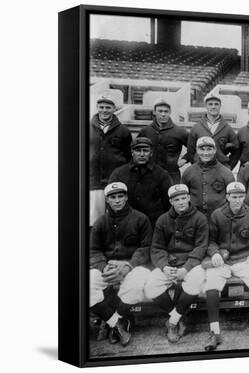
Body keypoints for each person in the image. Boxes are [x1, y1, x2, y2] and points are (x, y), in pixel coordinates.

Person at [203, 182, 249, 350]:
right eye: (233, 196)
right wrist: (214, 253)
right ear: (227, 197)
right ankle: (214, 332)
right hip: (223, 260)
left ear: (244, 197)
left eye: (240, 196)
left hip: (244, 257)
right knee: (211, 285)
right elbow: (211, 240)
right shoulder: (217, 215)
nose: (237, 200)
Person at [89, 182, 152, 347]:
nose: (117, 200)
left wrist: (128, 266)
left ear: (126, 197)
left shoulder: (140, 218)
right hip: (108, 267)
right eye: (112, 197)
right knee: (86, 285)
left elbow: (146, 248)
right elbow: (94, 251)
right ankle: (117, 323)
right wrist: (103, 267)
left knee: (136, 284)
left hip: (133, 266)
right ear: (107, 200)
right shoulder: (100, 222)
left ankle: (113, 321)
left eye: (120, 196)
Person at [144, 184, 208, 343]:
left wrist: (187, 268)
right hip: (169, 264)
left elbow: (201, 246)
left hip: (190, 263)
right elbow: (157, 248)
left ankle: (172, 323)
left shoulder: (199, 217)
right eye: (176, 199)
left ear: (188, 198)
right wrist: (164, 266)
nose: (180, 202)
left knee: (196, 281)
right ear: (171, 201)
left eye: (183, 198)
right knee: (151, 286)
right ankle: (178, 316)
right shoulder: (163, 219)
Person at [108, 137, 172, 225]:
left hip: (153, 224)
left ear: (151, 153)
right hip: (125, 223)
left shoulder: (162, 174)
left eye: (145, 151)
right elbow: (111, 200)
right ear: (132, 152)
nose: (142, 154)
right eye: (138, 150)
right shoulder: (119, 173)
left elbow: (168, 203)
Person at [89, 94, 132, 225]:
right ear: (97, 108)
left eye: (108, 107)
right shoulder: (86, 128)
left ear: (114, 109)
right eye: (101, 107)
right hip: (94, 180)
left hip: (115, 180)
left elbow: (129, 156)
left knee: (116, 218)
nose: (104, 110)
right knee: (95, 219)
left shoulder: (123, 131)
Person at [180, 136, 235, 218]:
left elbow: (232, 198)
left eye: (209, 149)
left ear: (215, 150)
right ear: (197, 150)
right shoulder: (189, 172)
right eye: (202, 149)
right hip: (194, 218)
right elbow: (183, 196)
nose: (205, 153)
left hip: (219, 218)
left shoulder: (226, 173)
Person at [138, 98, 189, 184]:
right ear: (154, 112)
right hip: (149, 173)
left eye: (166, 112)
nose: (163, 114)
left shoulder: (180, 131)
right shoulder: (145, 131)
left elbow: (194, 147)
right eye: (160, 111)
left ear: (170, 113)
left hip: (171, 175)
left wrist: (184, 160)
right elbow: (135, 149)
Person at [185, 92, 240, 169]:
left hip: (220, 168)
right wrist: (195, 165)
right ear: (206, 106)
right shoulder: (196, 128)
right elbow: (191, 151)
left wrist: (229, 167)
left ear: (220, 106)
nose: (213, 107)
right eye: (210, 104)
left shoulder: (228, 129)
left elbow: (236, 151)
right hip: (200, 168)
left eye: (216, 104)